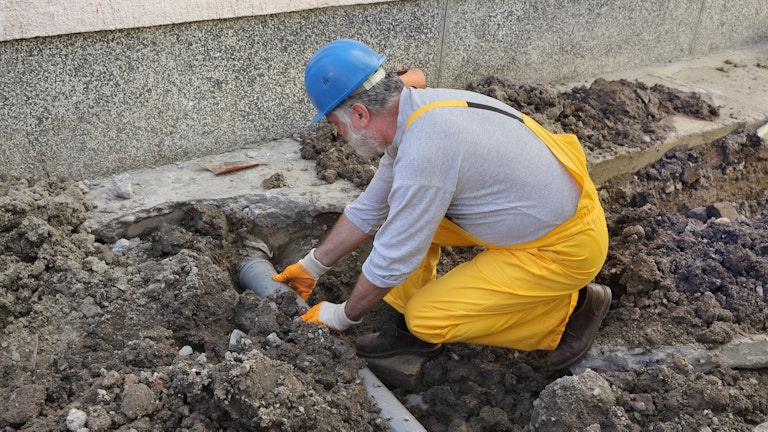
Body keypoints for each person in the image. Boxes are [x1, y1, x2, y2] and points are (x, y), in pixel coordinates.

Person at [273, 38, 611, 369]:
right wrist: (311, 267)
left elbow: (393, 259)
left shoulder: (427, 149)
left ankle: (572, 311)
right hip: (535, 212)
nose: (339, 135)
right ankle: (404, 325)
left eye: (336, 125)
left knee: (427, 318)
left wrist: (343, 315)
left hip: (562, 248)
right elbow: (371, 207)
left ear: (360, 114)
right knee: (405, 217)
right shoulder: (413, 111)